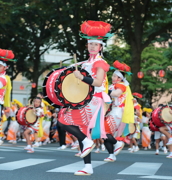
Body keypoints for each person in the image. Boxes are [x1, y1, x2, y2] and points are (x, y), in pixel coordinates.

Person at [57, 20, 112, 175]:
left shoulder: (100, 62)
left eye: (95, 44)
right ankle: (87, 166)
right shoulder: (87, 62)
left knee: (63, 121)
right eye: (90, 44)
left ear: (101, 46)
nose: (92, 46)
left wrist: (81, 77)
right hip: (85, 98)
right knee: (80, 130)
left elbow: (98, 82)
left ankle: (87, 144)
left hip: (95, 99)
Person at [104, 61, 134, 161]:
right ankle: (111, 155)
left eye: (114, 76)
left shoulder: (121, 85)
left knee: (104, 132)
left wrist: (103, 91)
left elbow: (116, 94)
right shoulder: (114, 85)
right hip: (112, 111)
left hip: (116, 112)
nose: (112, 77)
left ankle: (117, 143)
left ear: (120, 78)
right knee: (106, 135)